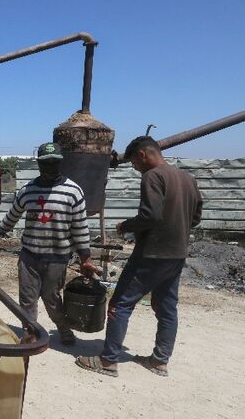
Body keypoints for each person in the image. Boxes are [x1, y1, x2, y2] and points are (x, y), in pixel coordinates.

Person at [76, 136, 202, 378]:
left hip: (151, 254)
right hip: (176, 254)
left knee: (120, 303)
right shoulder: (187, 178)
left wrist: (127, 225)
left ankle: (108, 361)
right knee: (166, 307)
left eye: (134, 163)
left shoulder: (152, 176)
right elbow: (196, 218)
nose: (135, 168)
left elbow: (150, 215)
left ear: (143, 155)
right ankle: (159, 360)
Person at [0, 142, 99, 346]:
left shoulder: (73, 191)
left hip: (57, 258)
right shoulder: (28, 190)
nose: (50, 167)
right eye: (45, 163)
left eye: (54, 163)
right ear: (39, 164)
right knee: (27, 300)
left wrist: (86, 258)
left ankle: (63, 328)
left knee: (52, 299)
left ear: (60, 164)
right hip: (29, 257)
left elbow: (80, 228)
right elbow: (12, 216)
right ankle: (30, 332)